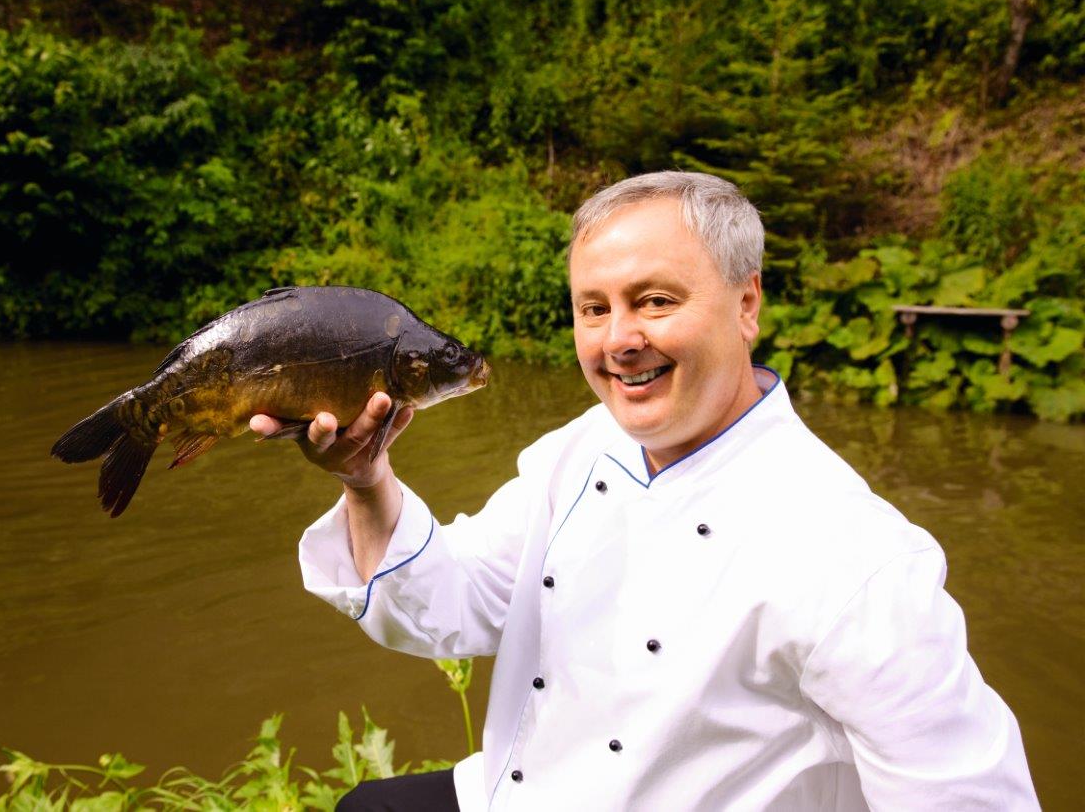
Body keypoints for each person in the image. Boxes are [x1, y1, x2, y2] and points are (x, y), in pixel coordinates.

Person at [250, 171, 1039, 811]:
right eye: (594, 308)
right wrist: (366, 479)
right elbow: (451, 605)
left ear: (747, 304)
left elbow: (969, 794)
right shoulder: (582, 448)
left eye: (656, 300)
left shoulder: (853, 551)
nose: (619, 340)